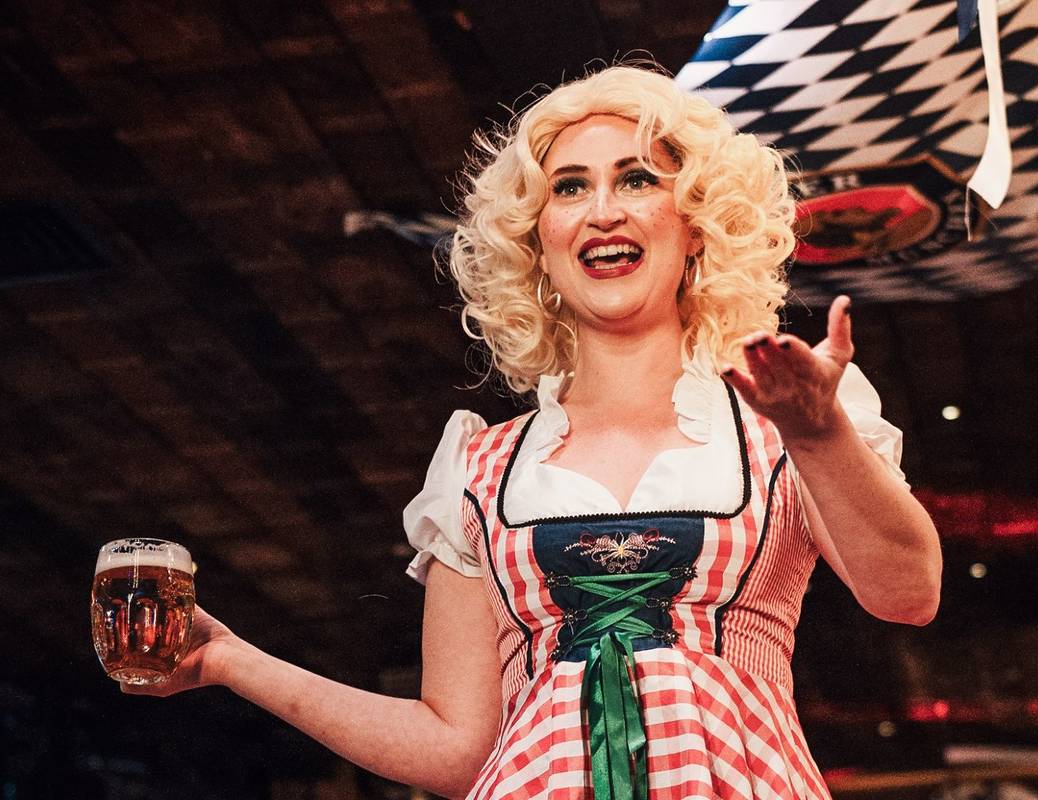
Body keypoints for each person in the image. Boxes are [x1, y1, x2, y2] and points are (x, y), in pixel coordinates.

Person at [124, 64, 941, 800]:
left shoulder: (782, 422)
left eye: (637, 179)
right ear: (537, 246)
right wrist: (232, 662)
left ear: (694, 226)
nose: (604, 209)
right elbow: (456, 749)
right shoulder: (481, 469)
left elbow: (907, 593)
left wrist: (820, 434)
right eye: (570, 188)